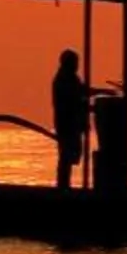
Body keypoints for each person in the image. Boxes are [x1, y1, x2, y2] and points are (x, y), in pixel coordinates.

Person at [50, 47, 88, 189]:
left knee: (68, 157)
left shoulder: (70, 78)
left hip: (70, 124)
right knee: (66, 156)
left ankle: (64, 185)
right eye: (75, 62)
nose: (77, 65)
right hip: (67, 124)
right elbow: (76, 96)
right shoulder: (64, 79)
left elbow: (81, 92)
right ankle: (63, 186)